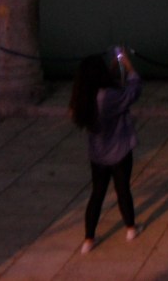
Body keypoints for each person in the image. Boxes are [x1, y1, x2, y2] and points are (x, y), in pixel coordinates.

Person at [69, 49, 143, 254]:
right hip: (119, 150)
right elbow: (133, 92)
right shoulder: (108, 96)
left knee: (97, 194)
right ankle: (130, 228)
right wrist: (128, 67)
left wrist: (111, 70)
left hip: (98, 154)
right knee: (123, 189)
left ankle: (89, 239)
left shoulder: (84, 97)